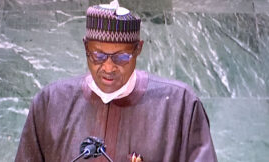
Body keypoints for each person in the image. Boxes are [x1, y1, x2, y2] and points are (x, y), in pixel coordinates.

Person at [15, 1, 217, 162]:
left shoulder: (180, 105)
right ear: (85, 47)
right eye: (98, 56)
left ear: (138, 49)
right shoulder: (51, 103)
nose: (109, 68)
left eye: (121, 57)